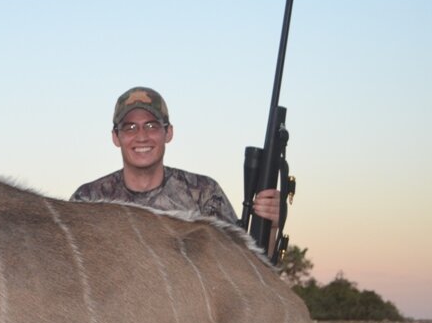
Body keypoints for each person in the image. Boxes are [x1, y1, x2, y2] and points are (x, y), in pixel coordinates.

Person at [71, 86, 279, 227]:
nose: (141, 136)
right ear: (116, 137)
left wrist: (271, 224)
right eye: (130, 127)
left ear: (168, 133)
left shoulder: (204, 193)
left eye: (152, 126)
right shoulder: (88, 199)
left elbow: (241, 264)